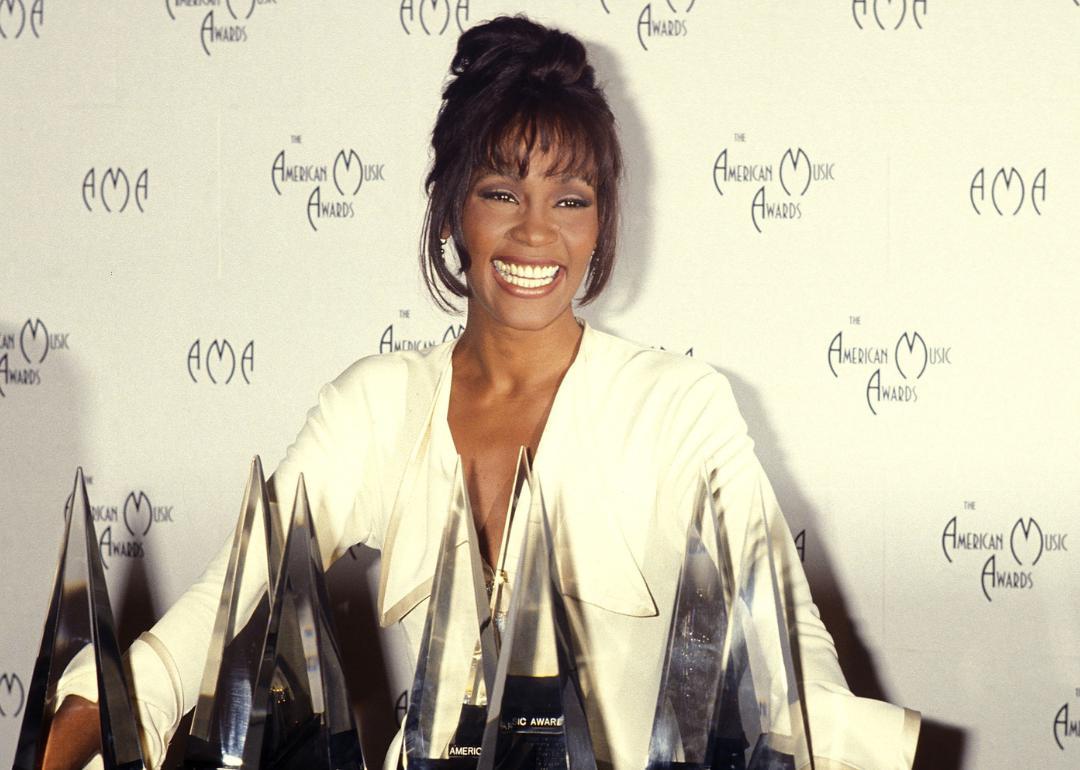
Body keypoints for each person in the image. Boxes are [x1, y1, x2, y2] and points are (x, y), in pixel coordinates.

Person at [43, 15, 920, 770]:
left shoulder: (679, 404)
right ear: (454, 206)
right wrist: (81, 726)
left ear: (602, 219)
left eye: (570, 200)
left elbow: (788, 651)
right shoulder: (377, 405)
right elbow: (226, 606)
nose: (535, 231)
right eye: (502, 191)